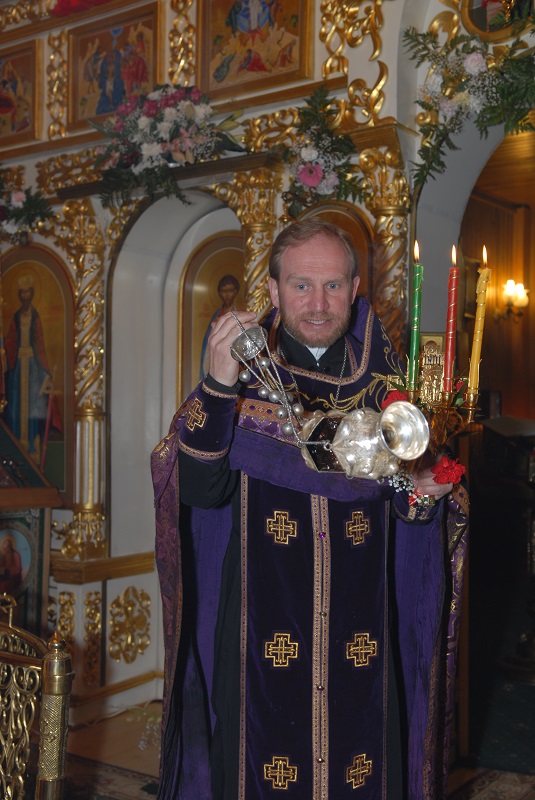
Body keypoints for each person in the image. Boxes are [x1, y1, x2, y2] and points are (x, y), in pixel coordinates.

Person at [152, 218, 469, 799]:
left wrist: (423, 497)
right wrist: (217, 387)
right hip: (259, 634)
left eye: (332, 286)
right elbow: (199, 491)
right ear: (273, 291)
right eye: (301, 286)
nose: (318, 303)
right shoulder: (243, 376)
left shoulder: (385, 385)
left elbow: (405, 505)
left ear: (354, 289)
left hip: (362, 634)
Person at [3, 274, 62, 460]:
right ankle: (16, 446)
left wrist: (45, 372)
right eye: (22, 292)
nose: (25, 296)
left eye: (28, 292)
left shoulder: (35, 317)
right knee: (16, 405)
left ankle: (32, 445)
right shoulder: (16, 317)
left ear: (32, 294)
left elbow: (40, 345)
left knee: (34, 405)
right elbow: (10, 341)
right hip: (18, 367)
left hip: (33, 369)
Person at [200, 274, 241, 380]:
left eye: (230, 290)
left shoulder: (239, 315)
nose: (227, 295)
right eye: (223, 291)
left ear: (235, 292)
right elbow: (208, 347)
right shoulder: (216, 317)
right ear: (219, 293)